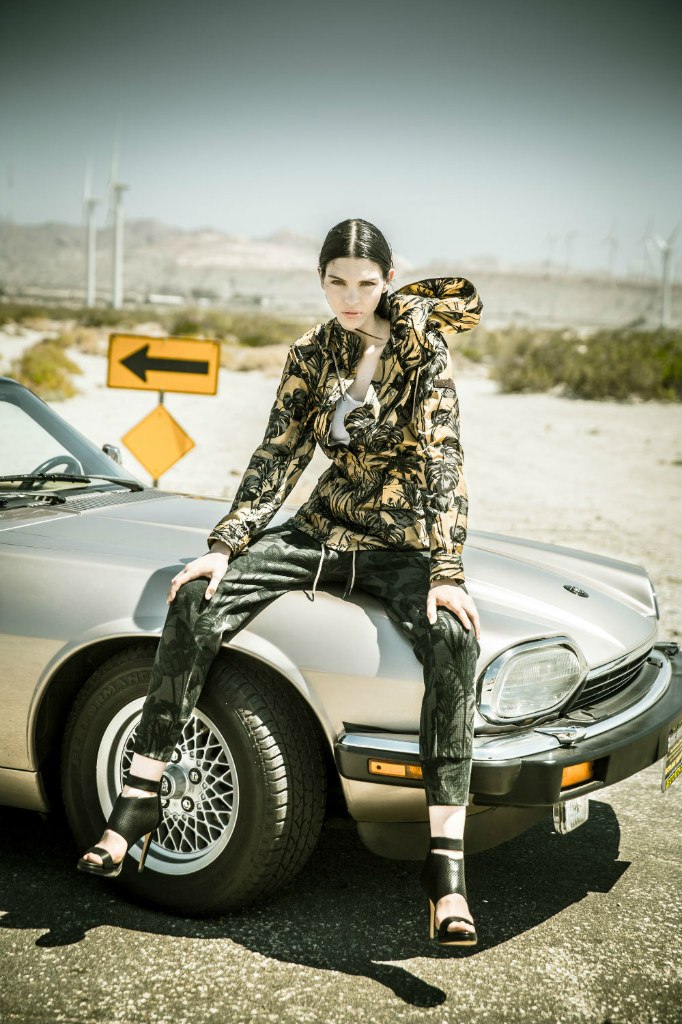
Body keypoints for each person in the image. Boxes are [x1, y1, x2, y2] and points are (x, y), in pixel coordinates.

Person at [78, 217, 483, 947]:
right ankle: (139, 796)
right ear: (320, 280)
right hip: (321, 530)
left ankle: (445, 870)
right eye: (336, 282)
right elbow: (279, 453)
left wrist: (447, 569)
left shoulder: (422, 347)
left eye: (365, 283)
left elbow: (443, 458)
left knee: (454, 636)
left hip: (399, 544)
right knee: (196, 597)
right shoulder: (312, 352)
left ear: (388, 278)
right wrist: (225, 545)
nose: (350, 298)